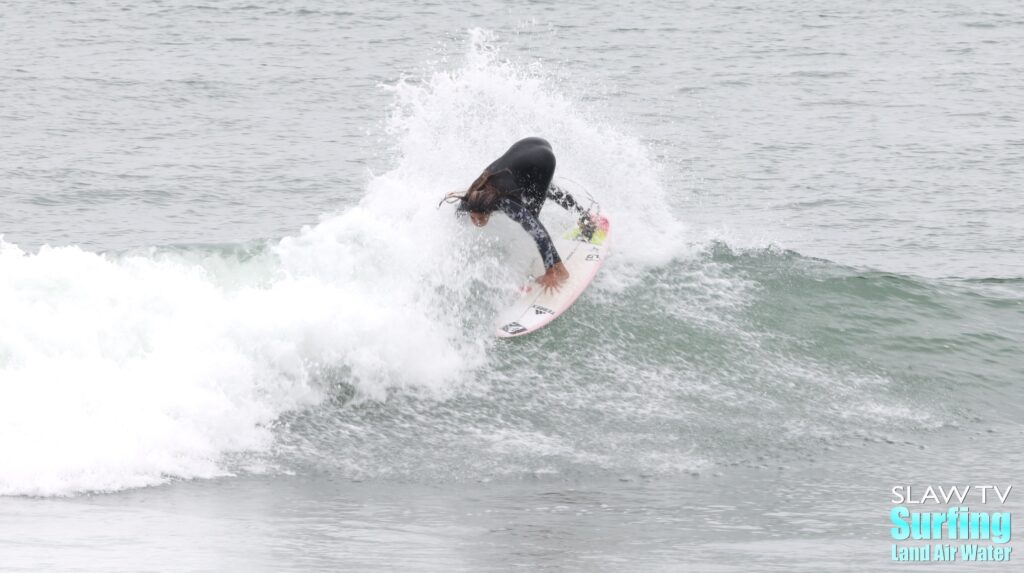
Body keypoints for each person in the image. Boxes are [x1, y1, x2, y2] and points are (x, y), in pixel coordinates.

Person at [441, 137, 595, 292]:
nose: (476, 222)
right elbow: (459, 213)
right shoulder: (471, 196)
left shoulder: (505, 202)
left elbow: (538, 233)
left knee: (533, 217)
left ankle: (557, 270)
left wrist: (549, 271)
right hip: (527, 147)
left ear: (489, 210)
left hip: (542, 160)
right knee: (534, 189)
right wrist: (456, 228)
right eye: (473, 217)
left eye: (480, 218)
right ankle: (585, 217)